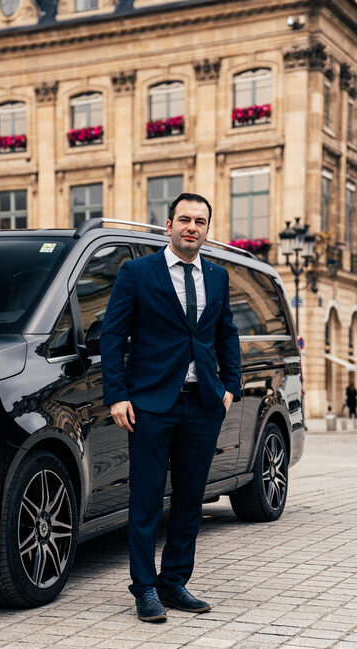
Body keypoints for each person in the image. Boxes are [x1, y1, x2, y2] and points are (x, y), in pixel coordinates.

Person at [100, 193, 242, 622]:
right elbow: (112, 336)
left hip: (202, 405)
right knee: (145, 499)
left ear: (207, 229)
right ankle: (144, 588)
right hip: (150, 405)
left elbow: (226, 333)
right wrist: (117, 395)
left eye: (200, 221)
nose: (192, 227)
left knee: (190, 499)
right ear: (168, 225)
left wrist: (231, 386)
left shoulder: (217, 277)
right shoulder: (137, 273)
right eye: (184, 219)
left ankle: (175, 582)